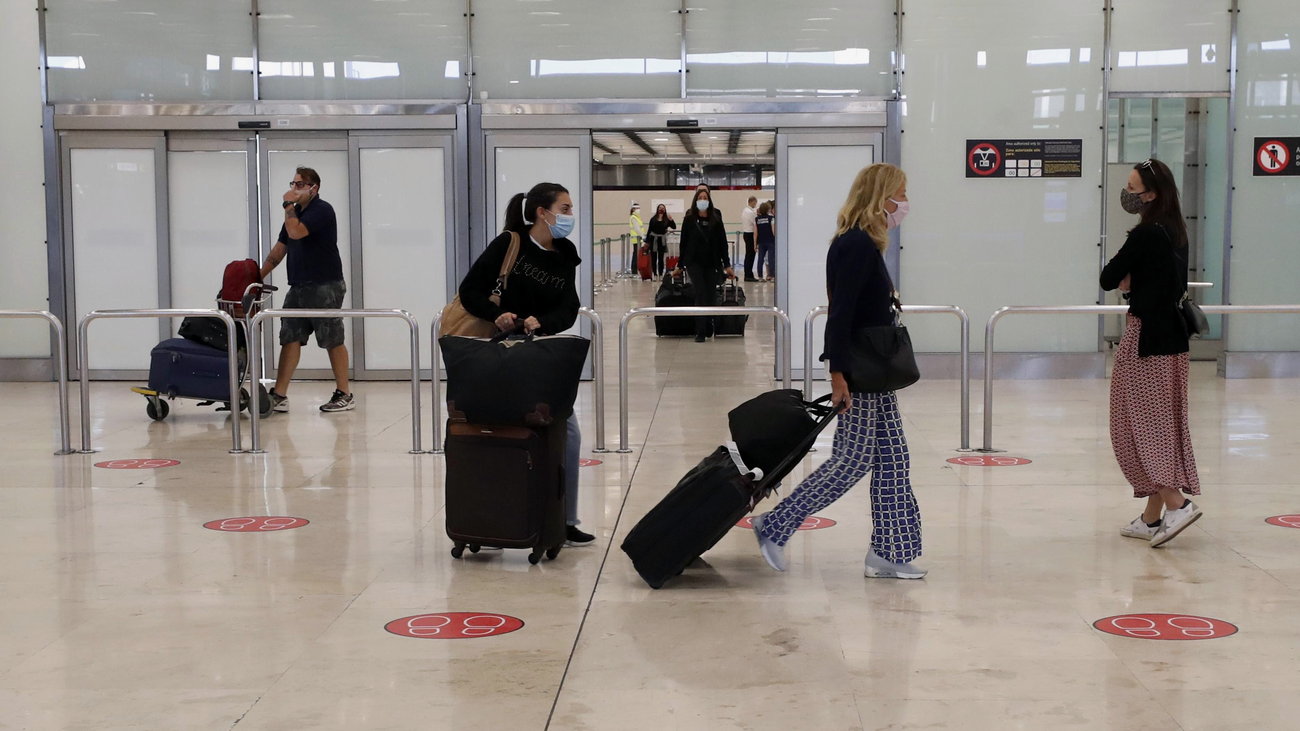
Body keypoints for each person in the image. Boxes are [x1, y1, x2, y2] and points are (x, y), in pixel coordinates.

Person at [752, 163, 924, 579]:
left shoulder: (866, 243)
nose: (905, 203)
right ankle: (775, 525)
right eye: (900, 193)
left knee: (894, 460)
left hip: (874, 373)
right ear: (880, 197)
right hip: (861, 371)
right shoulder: (855, 245)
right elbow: (841, 314)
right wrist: (838, 375)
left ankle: (891, 550)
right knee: (851, 460)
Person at [456, 182, 595, 546]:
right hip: (496, 352)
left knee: (568, 432)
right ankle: (489, 519)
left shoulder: (565, 253)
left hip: (538, 354)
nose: (569, 216)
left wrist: (542, 322)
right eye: (564, 209)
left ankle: (564, 520)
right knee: (495, 431)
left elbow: (567, 308)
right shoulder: (509, 243)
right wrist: (498, 314)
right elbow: (470, 290)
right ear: (541, 213)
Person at [1100, 158, 1201, 548]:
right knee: (1164, 424)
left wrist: (1128, 280)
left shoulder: (1145, 235)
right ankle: (1150, 518)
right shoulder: (1177, 232)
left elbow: (1108, 277)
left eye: (1133, 190)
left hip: (1146, 341)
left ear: (1152, 195)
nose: (1128, 196)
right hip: (1174, 342)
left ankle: (1177, 504)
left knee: (1138, 427)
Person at [259, 166, 353, 413]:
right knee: (290, 336)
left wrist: (288, 206)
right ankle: (279, 395)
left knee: (332, 338)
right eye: (294, 183)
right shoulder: (295, 212)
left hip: (325, 284)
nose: (295, 188)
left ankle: (344, 393)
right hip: (298, 285)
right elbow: (280, 248)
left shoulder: (321, 210)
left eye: (301, 184)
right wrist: (257, 278)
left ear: (314, 188)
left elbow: (296, 232)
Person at [677, 187, 735, 343]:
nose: (703, 200)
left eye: (705, 198)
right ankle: (700, 330)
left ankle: (709, 323)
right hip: (694, 263)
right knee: (700, 293)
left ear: (709, 200)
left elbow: (723, 243)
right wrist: (680, 265)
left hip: (712, 262)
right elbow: (684, 243)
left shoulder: (716, 219)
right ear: (696, 200)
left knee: (710, 294)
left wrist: (727, 265)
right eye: (700, 197)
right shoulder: (689, 219)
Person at [644, 204, 676, 279]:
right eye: (660, 208)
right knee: (654, 258)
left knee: (661, 258)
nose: (661, 209)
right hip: (653, 239)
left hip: (661, 240)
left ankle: (661, 274)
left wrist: (671, 219)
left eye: (663, 208)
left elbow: (674, 227)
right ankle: (654, 274)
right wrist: (647, 241)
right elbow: (649, 230)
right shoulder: (653, 219)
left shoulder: (666, 219)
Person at [755, 201, 776, 282]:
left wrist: (755, 244)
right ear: (768, 210)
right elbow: (773, 231)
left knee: (760, 259)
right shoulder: (771, 219)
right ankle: (772, 276)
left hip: (761, 241)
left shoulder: (757, 219)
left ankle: (760, 277)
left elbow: (755, 233)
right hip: (770, 241)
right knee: (771, 259)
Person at [741, 196, 759, 282]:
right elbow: (755, 223)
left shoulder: (745, 210)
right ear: (752, 202)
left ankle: (748, 273)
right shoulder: (750, 212)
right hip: (750, 234)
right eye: (755, 202)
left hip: (747, 234)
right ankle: (748, 275)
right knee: (750, 255)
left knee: (748, 255)